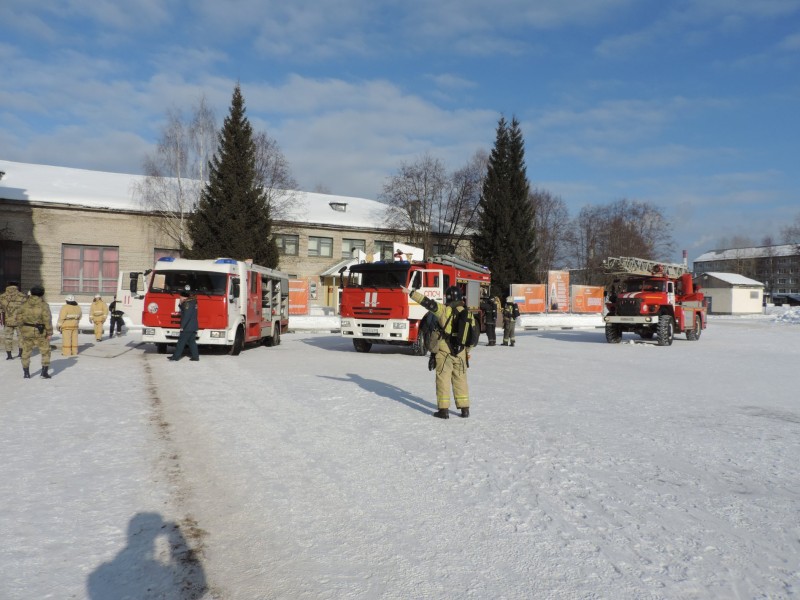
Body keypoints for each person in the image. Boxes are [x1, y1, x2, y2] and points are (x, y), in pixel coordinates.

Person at [402, 283, 470, 419]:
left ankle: (443, 411)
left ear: (448, 297)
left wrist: (410, 292)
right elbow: (471, 335)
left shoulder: (443, 310)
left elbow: (427, 302)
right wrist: (466, 351)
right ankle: (464, 409)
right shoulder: (466, 312)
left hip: (444, 351)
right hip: (461, 352)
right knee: (460, 379)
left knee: (443, 379)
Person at [19, 285, 53, 379]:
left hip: (27, 331)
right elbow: (47, 319)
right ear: (42, 294)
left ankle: (26, 373)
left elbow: (18, 318)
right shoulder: (44, 305)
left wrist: (22, 328)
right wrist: (49, 332)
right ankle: (44, 372)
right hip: (40, 332)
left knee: (25, 351)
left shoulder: (24, 304)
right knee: (45, 351)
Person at [168, 291, 199, 362]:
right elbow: (185, 310)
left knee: (181, 343)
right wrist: (181, 304)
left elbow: (186, 316)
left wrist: (182, 326)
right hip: (193, 326)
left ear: (184, 297)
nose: (180, 298)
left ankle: (175, 357)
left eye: (180, 297)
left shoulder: (187, 303)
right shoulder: (193, 302)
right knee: (192, 342)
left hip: (187, 327)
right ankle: (195, 356)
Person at [0, 280, 26, 360]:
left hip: (7, 320)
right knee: (21, 337)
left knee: (8, 338)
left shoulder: (2, 296)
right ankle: (20, 354)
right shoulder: (22, 296)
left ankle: (9, 355)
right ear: (17, 286)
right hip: (20, 321)